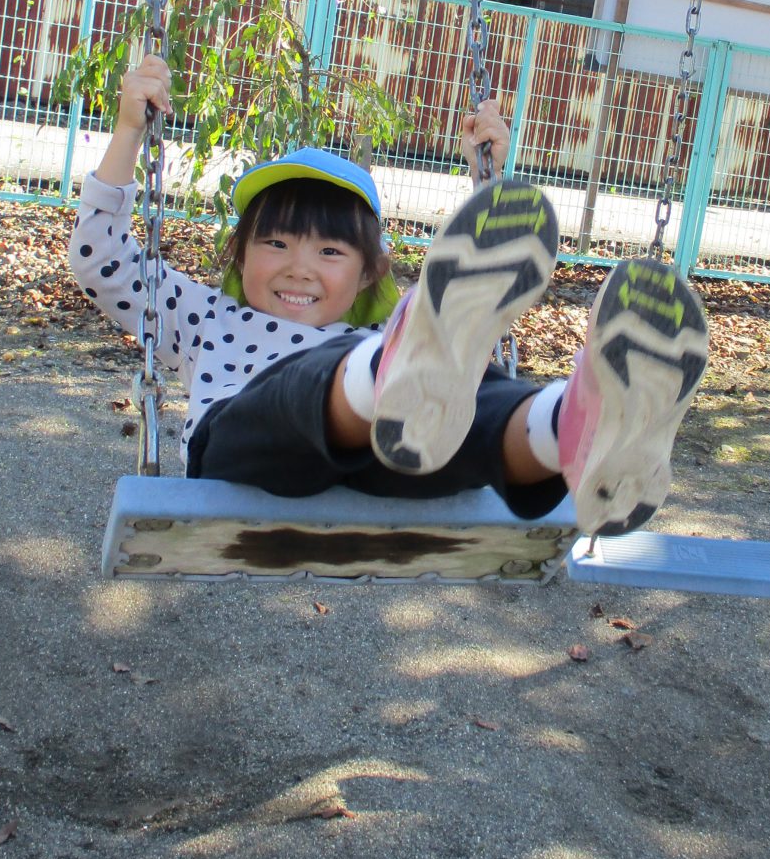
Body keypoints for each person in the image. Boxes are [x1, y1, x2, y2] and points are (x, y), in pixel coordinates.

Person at [69, 53, 709, 536]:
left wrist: (487, 185)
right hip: (246, 461)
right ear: (239, 255)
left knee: (463, 409)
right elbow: (102, 259)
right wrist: (129, 131)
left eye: (330, 252)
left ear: (369, 274)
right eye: (276, 244)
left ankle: (576, 427)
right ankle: (386, 378)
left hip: (383, 466)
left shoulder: (371, 336)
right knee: (324, 379)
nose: (299, 268)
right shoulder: (205, 316)